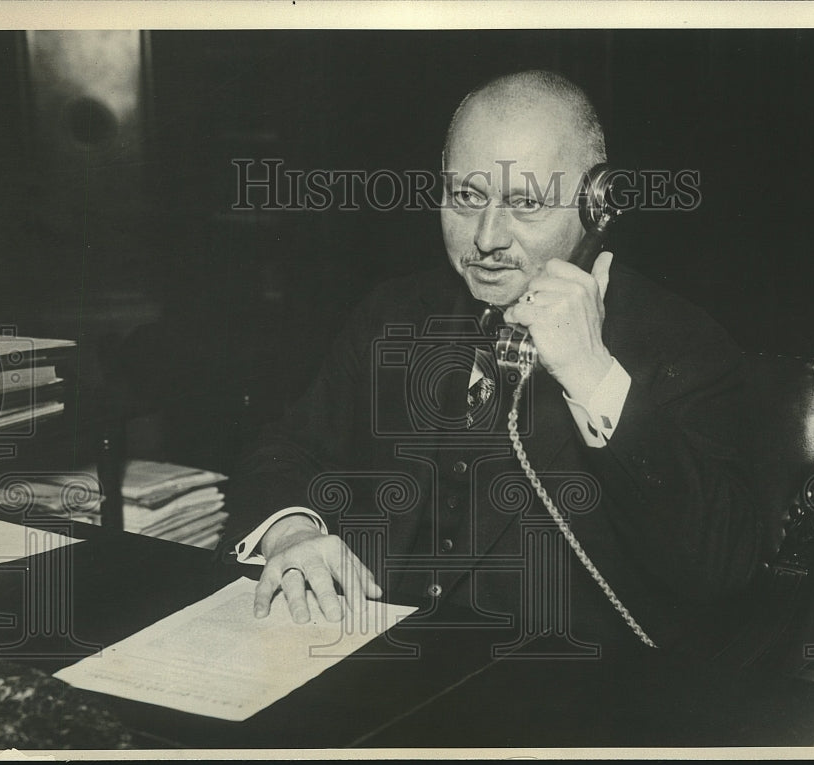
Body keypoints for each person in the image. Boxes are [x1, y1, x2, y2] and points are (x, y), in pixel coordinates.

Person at [219, 70, 762, 660]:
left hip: (561, 704)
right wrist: (291, 530)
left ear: (597, 202)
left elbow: (723, 567)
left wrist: (590, 373)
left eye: (524, 204)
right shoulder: (397, 312)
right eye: (466, 197)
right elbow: (287, 450)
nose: (485, 238)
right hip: (376, 672)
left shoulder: (680, 342)